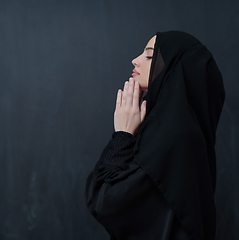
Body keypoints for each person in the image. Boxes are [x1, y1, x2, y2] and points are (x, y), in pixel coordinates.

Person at [85, 31, 225, 240]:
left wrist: (122, 135)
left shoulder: (171, 137)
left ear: (174, 69)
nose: (135, 60)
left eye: (150, 55)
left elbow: (105, 202)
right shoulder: (185, 134)